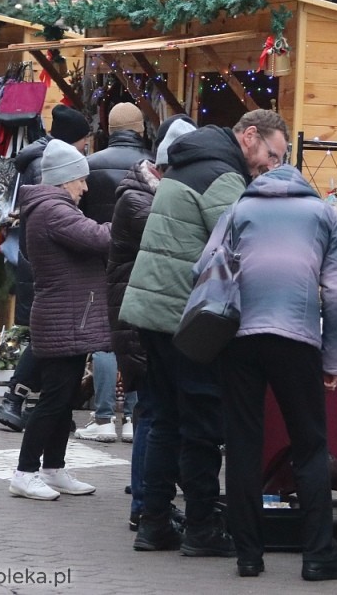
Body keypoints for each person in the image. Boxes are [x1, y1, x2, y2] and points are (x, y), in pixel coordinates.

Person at [119, 108, 288, 556]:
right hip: (189, 319)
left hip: (156, 311)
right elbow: (245, 245)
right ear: (250, 136)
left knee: (165, 420)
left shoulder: (192, 161)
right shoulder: (222, 176)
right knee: (199, 425)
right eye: (272, 154)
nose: (271, 166)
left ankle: (154, 522)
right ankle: (200, 529)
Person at [213, 164, 337, 581]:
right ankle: (318, 555)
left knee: (242, 444)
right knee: (310, 446)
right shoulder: (324, 215)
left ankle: (247, 554)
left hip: (238, 337)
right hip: (296, 338)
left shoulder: (239, 210)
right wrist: (333, 360)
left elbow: (205, 269)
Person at [8, 138, 111, 501]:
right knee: (53, 398)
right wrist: (127, 220)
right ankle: (25, 472)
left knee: (63, 396)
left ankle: (53, 467)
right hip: (62, 317)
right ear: (65, 179)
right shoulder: (55, 210)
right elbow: (98, 238)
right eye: (80, 180)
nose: (84, 188)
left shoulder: (50, 207)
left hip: (65, 315)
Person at [108, 113, 196, 531]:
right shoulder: (141, 199)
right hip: (139, 316)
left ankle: (149, 498)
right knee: (152, 410)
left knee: (155, 410)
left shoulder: (147, 193)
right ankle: (144, 503)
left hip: (142, 311)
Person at [0, 104, 92, 432]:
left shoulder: (36, 158)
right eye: (84, 142)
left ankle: (30, 403)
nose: (86, 149)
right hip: (44, 263)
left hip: (34, 260)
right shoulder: (47, 166)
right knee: (43, 338)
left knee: (43, 338)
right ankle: (17, 401)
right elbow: (51, 216)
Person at [76, 102, 151, 444]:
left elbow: (80, 218)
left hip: (100, 260)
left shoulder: (90, 166)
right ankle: (136, 415)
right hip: (144, 261)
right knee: (138, 338)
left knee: (106, 340)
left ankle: (104, 416)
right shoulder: (153, 166)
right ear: (141, 129)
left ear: (108, 126)